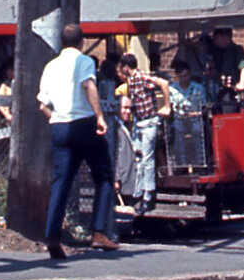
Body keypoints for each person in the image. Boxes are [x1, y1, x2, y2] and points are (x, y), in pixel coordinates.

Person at [38, 24, 118, 258]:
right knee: (103, 176)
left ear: (61, 42)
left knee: (61, 181)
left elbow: (42, 104)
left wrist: (57, 119)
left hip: (60, 127)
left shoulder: (50, 67)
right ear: (81, 42)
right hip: (84, 123)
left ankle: (52, 234)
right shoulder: (84, 62)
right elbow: (88, 85)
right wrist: (100, 116)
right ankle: (99, 232)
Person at [116, 53, 173, 213]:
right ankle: (138, 190)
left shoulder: (141, 77)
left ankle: (149, 193)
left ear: (127, 67)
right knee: (138, 157)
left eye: (122, 67)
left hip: (149, 122)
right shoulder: (131, 81)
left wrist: (166, 106)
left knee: (147, 159)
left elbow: (164, 83)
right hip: (139, 123)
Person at [206, 26, 244, 108]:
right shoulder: (215, 50)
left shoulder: (237, 50)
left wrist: (241, 83)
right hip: (217, 90)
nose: (214, 41)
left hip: (231, 92)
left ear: (223, 37)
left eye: (216, 38)